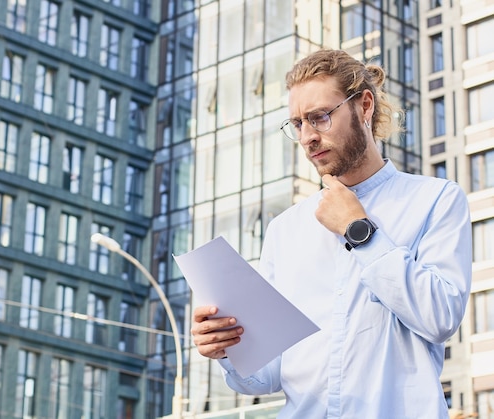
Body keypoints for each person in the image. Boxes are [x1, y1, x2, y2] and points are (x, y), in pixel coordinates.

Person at [190, 49, 472, 418]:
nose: (308, 136)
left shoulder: (435, 199)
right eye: (297, 124)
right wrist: (228, 348)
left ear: (364, 106)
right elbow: (266, 376)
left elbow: (440, 318)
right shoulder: (285, 230)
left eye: (320, 117)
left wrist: (361, 233)